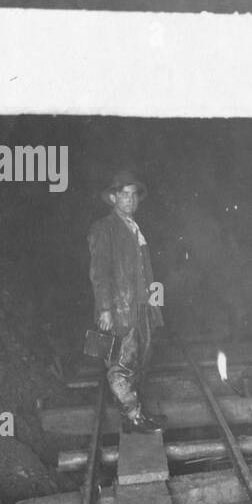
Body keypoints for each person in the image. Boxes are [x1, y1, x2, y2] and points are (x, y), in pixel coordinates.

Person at [88, 170, 166, 433]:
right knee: (121, 364)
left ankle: (136, 414)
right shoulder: (104, 229)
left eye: (134, 196)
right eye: (124, 195)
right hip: (119, 309)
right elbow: (99, 273)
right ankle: (133, 417)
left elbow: (146, 273)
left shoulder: (134, 227)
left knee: (140, 359)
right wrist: (105, 310)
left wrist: (154, 305)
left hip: (140, 307)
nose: (130, 200)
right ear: (112, 198)